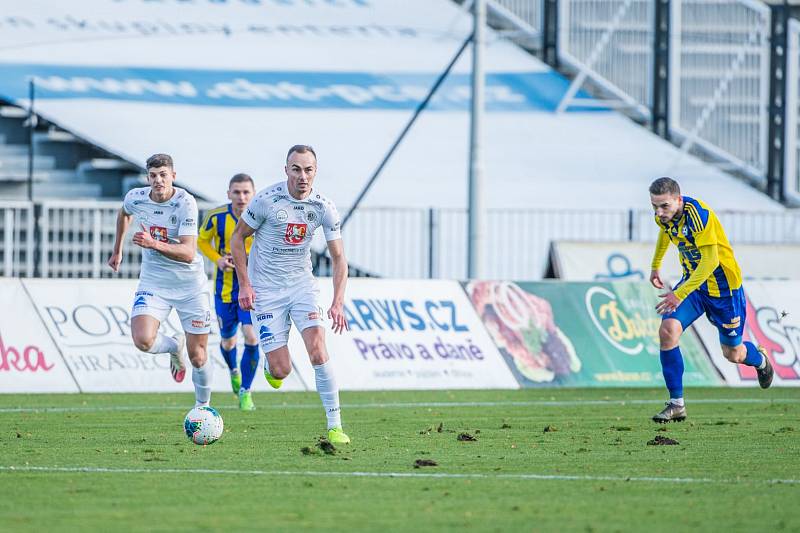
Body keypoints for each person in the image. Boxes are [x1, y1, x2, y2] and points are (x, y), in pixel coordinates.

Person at [230, 144, 351, 444]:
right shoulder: (266, 200)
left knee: (318, 350)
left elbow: (339, 258)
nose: (302, 176)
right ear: (286, 170)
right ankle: (272, 366)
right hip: (266, 291)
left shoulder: (324, 207)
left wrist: (338, 301)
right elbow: (237, 238)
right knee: (281, 370)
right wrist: (245, 284)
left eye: (308, 170)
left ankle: (335, 426)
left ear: (315, 172)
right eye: (296, 169)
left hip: (302, 286)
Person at [649, 177, 773, 422]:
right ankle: (676, 404)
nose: (659, 212)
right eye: (654, 206)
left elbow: (710, 262)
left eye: (664, 206)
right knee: (668, 330)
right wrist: (655, 266)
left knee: (733, 353)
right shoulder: (664, 216)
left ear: (678, 199)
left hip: (724, 290)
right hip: (694, 286)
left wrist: (678, 294)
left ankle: (760, 360)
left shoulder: (699, 216)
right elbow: (665, 234)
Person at [108, 153, 213, 407]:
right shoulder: (136, 197)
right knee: (143, 340)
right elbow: (124, 213)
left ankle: (203, 409)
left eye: (163, 175)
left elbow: (188, 253)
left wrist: (153, 243)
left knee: (198, 356)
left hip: (190, 286)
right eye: (153, 176)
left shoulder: (185, 203)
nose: (158, 181)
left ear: (173, 177)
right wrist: (117, 249)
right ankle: (174, 346)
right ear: (148, 178)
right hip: (154, 282)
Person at [198, 173, 259, 411]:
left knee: (251, 335)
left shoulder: (261, 217)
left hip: (251, 287)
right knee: (227, 341)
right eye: (237, 192)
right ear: (228, 194)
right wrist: (218, 259)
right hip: (224, 289)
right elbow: (202, 241)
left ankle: (246, 391)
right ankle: (234, 370)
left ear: (253, 194)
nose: (242, 197)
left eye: (246, 192)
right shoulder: (216, 217)